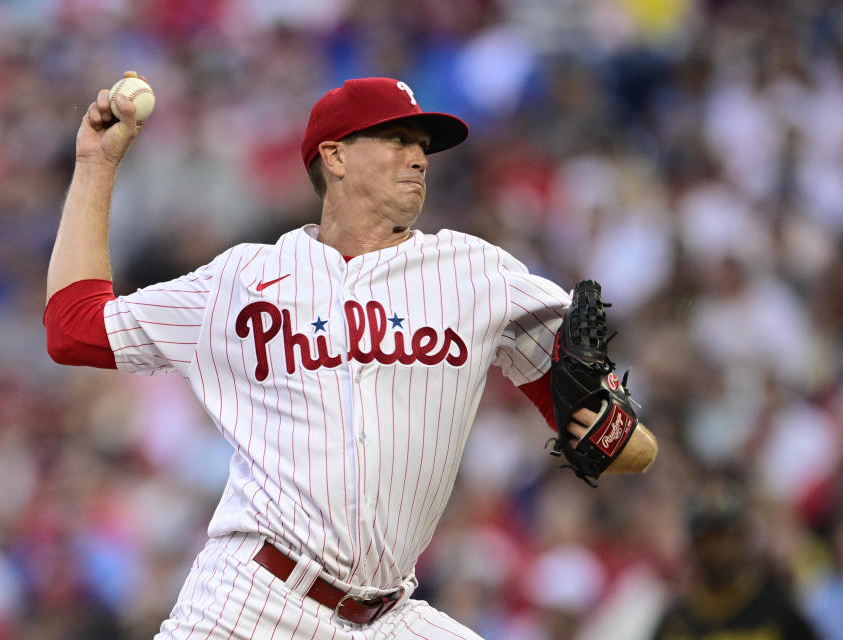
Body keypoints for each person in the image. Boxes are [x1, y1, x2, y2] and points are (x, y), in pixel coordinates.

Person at [44, 74, 658, 639]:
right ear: (334, 156)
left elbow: (626, 444)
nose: (418, 156)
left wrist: (616, 436)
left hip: (388, 615)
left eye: (423, 143)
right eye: (396, 138)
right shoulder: (242, 279)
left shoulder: (476, 275)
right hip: (253, 599)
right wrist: (96, 166)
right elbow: (73, 329)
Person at [650, 479, 818, 640]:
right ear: (693, 545)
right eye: (707, 538)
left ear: (744, 537)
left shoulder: (776, 607)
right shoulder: (676, 622)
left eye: (726, 536)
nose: (718, 549)